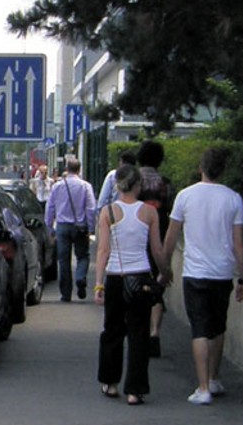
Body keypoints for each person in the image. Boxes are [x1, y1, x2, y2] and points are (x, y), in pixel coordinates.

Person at [162, 148, 243, 406]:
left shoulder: (185, 196)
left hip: (195, 271)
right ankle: (213, 377)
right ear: (223, 170)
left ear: (201, 168)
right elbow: (239, 243)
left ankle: (202, 388)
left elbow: (171, 235)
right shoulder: (233, 199)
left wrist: (164, 266)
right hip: (222, 272)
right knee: (218, 325)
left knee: (199, 328)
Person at [94, 164, 169, 405]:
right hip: (141, 276)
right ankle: (135, 390)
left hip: (116, 277)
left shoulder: (108, 212)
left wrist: (98, 284)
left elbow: (103, 250)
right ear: (139, 185)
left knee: (112, 331)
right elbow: (157, 249)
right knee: (139, 336)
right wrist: (165, 272)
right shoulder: (149, 213)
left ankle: (111, 382)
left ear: (117, 185)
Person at [135, 140, 174, 358]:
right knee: (157, 286)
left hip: (137, 238)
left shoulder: (134, 181)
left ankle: (138, 330)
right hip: (159, 236)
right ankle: (155, 332)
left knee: (137, 284)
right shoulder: (166, 184)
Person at [45, 159, 96, 301]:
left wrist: (49, 227)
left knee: (63, 260)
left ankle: (66, 294)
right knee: (83, 256)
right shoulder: (86, 186)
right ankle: (80, 277)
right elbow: (91, 208)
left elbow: (50, 207)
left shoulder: (57, 186)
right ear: (79, 170)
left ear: (67, 169)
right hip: (80, 227)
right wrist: (91, 228)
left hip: (62, 227)